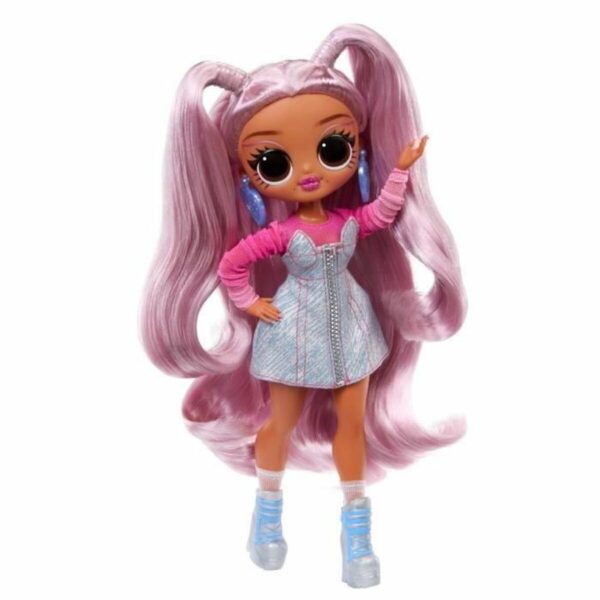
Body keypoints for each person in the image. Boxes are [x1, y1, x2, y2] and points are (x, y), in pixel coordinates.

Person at [140, 23, 467, 588]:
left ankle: (357, 533)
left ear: (354, 150)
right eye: (274, 162)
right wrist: (252, 303)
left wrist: (400, 170)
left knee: (352, 428)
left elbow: (379, 216)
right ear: (248, 173)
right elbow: (232, 264)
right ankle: (267, 517)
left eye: (332, 148)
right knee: (280, 422)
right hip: (291, 337)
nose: (310, 172)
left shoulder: (346, 221)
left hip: (355, 334)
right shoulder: (280, 235)